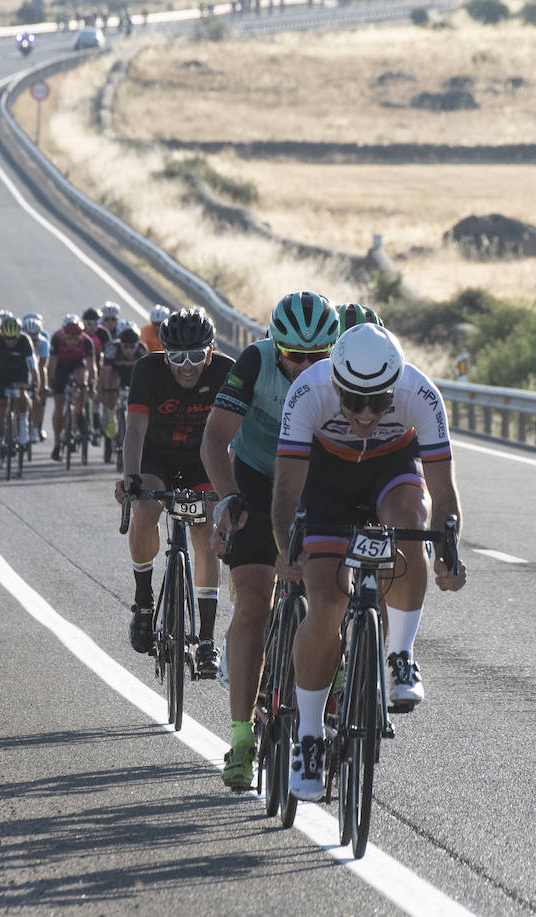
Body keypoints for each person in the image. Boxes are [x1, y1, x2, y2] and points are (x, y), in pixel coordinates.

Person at [271, 323, 467, 802]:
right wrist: (285, 550)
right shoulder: (307, 392)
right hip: (327, 478)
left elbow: (443, 497)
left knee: (410, 522)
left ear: (395, 388)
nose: (364, 414)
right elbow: (286, 493)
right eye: (353, 401)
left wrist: (448, 555)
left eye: (378, 403)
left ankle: (401, 655)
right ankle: (311, 738)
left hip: (390, 469)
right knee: (325, 605)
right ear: (334, 383)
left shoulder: (422, 393)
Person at [201, 290, 339, 791]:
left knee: (332, 594)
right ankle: (241, 739)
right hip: (258, 481)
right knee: (255, 602)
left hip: (320, 484)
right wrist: (228, 496)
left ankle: (334, 691)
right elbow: (216, 438)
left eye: (315, 358)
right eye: (294, 356)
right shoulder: (256, 362)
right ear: (274, 343)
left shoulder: (342, 370)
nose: (304, 367)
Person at [115, 308, 234, 678]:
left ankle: (207, 640)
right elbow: (134, 429)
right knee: (147, 509)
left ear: (210, 354)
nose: (187, 366)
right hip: (156, 456)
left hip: (203, 458)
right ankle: (144, 602)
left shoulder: (226, 371)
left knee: (203, 529)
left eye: (196, 356)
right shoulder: (147, 370)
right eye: (177, 357)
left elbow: (237, 434)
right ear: (163, 354)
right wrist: (131, 477)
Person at [0, 316, 38, 467]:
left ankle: (23, 425)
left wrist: (34, 386)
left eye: (13, 338)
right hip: (2, 375)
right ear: (3, 335)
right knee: (0, 409)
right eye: (7, 338)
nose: (10, 341)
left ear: (18, 335)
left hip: (19, 373)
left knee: (22, 395)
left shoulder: (25, 342)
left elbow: (33, 369)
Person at [47, 314, 97, 461]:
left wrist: (92, 382)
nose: (73, 342)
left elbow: (91, 366)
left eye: (76, 338)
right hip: (61, 367)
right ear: (65, 335)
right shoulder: (57, 339)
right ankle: (57, 444)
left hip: (77, 364)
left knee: (82, 379)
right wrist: (52, 382)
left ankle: (79, 412)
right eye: (69, 338)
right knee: (59, 405)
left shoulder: (87, 342)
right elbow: (52, 364)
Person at [101, 323, 147, 439]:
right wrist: (106, 390)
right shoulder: (112, 348)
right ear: (120, 343)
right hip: (116, 373)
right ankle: (112, 419)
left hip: (133, 373)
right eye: (125, 346)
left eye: (132, 347)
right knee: (113, 383)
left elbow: (147, 373)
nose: (129, 350)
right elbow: (106, 371)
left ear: (137, 345)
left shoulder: (142, 349)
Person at [22, 313, 50, 442]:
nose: (33, 342)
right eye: (30, 339)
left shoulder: (44, 342)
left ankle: (35, 428)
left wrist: (41, 387)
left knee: (38, 397)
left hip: (36, 369)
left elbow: (42, 366)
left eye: (35, 339)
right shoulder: (20, 342)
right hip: (21, 369)